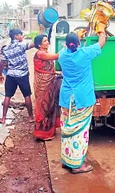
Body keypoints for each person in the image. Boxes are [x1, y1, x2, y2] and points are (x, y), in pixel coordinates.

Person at [58, 25, 107, 174]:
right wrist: (101, 28)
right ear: (78, 44)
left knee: (67, 129)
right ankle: (77, 165)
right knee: (79, 132)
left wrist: (77, 37)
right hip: (82, 99)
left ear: (66, 45)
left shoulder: (62, 55)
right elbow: (102, 41)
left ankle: (67, 160)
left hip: (67, 99)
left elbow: (70, 47)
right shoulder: (85, 53)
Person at [0, 29, 35, 124]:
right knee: (27, 96)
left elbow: (2, 63)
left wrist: (0, 75)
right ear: (16, 36)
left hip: (11, 75)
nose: (22, 37)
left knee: (7, 96)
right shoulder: (21, 45)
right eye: (20, 35)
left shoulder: (6, 49)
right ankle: (31, 117)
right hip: (22, 75)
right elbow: (34, 44)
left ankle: (3, 118)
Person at [33, 34, 61, 141]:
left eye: (47, 40)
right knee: (44, 107)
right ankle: (42, 133)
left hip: (50, 82)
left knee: (50, 105)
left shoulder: (45, 53)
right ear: (39, 44)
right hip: (43, 85)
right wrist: (68, 45)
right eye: (45, 41)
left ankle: (49, 131)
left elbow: (49, 69)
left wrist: (57, 72)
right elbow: (56, 56)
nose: (47, 42)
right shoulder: (40, 54)